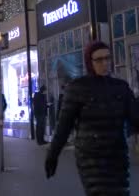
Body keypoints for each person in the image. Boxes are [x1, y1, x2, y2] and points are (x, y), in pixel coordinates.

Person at [45, 41, 139, 195]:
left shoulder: (120, 87)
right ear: (90, 62)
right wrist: (53, 155)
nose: (105, 63)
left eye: (107, 58)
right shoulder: (77, 88)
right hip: (91, 157)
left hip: (117, 155)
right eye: (99, 60)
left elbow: (135, 117)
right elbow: (64, 126)